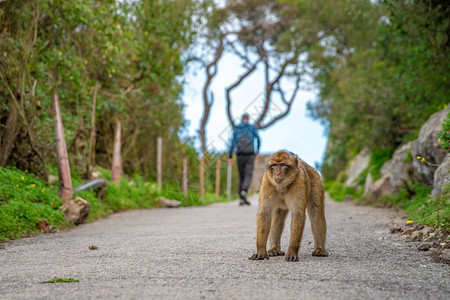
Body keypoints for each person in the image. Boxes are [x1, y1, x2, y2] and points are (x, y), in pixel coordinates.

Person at [228, 113, 261, 206]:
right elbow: (258, 139)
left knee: (241, 176)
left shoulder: (237, 128)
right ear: (248, 119)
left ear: (241, 119)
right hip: (250, 154)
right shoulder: (252, 127)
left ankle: (242, 198)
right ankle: (244, 191)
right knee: (248, 175)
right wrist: (257, 151)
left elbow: (233, 142)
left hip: (240, 155)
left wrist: (230, 156)